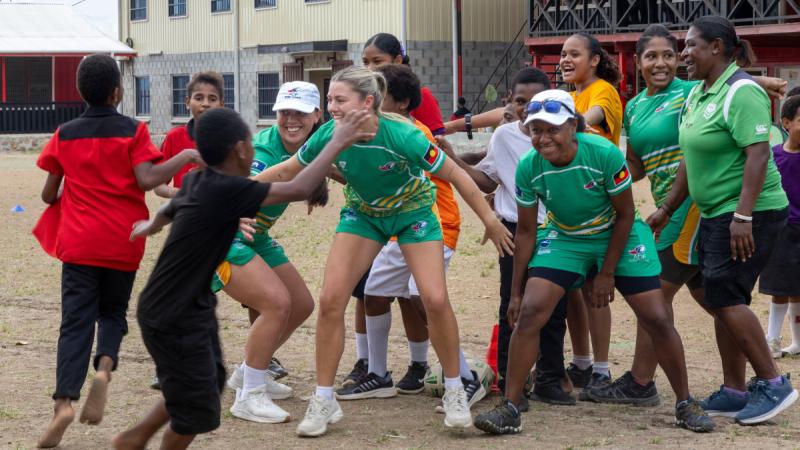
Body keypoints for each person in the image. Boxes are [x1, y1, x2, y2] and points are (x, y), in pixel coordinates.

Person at [251, 66, 513, 437]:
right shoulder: (328, 133)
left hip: (414, 214)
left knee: (434, 299)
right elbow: (288, 169)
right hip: (364, 215)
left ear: (368, 102)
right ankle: (324, 399)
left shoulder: (403, 134)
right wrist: (233, 191)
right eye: (329, 100)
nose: (331, 107)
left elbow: (454, 174)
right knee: (330, 300)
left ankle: (456, 389)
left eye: (339, 100)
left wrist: (488, 219)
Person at [112, 107, 374, 450]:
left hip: (187, 307)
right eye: (250, 143)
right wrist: (336, 141)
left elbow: (174, 205)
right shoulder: (230, 189)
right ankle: (139, 438)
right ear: (241, 150)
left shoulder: (199, 180)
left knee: (209, 382)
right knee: (198, 405)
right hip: (171, 314)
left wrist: (153, 225)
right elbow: (299, 187)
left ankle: (136, 437)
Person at [473, 89, 715, 435]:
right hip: (567, 237)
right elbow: (526, 232)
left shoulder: (603, 154)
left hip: (618, 234)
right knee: (529, 313)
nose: (543, 138)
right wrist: (515, 292)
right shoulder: (529, 167)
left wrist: (606, 273)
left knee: (657, 316)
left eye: (553, 128)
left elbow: (626, 215)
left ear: (573, 125)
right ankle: (510, 407)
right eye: (536, 129)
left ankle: (684, 403)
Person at [587, 24, 788, 406]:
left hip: (701, 209)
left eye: (670, 53)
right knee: (718, 299)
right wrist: (602, 179)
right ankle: (737, 386)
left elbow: (731, 85)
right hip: (676, 203)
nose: (662, 63)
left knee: (655, 290)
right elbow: (636, 164)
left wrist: (762, 82)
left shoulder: (687, 91)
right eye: (652, 56)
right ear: (638, 62)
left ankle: (642, 382)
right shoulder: (636, 106)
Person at [33, 54, 203, 449]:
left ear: (81, 91)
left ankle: (63, 402)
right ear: (117, 91)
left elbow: (47, 193)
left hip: (78, 243)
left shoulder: (65, 133)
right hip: (123, 240)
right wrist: (187, 156)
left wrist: (70, 191)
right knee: (112, 312)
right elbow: (147, 179)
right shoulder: (133, 130)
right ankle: (105, 367)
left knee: (75, 323)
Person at [650, 15, 797, 425]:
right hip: (718, 214)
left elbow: (758, 153)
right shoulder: (700, 94)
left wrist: (743, 215)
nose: (684, 54)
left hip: (752, 213)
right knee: (722, 296)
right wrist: (666, 209)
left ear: (716, 47)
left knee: (725, 295)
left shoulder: (741, 91)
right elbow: (690, 160)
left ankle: (772, 383)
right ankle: (734, 389)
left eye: (691, 45)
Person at [335, 64, 483, 403]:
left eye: (379, 97)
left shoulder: (410, 133)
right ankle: (378, 374)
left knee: (423, 297)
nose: (371, 104)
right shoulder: (369, 131)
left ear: (400, 103)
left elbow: (450, 177)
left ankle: (463, 377)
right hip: (396, 227)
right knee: (374, 293)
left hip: (434, 223)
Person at [440, 67, 576, 405]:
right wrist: (454, 160)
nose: (527, 109)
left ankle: (548, 379)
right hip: (515, 231)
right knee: (511, 305)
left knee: (554, 310)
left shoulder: (562, 136)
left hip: (555, 230)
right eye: (520, 101)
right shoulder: (503, 136)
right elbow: (489, 180)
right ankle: (507, 377)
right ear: (509, 103)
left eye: (535, 102)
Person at [340, 31, 452, 388]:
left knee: (420, 298)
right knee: (371, 291)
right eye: (366, 61)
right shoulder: (359, 118)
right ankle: (372, 367)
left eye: (378, 61)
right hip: (376, 219)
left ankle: (453, 372)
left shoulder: (410, 126)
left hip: (420, 216)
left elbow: (439, 158)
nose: (371, 68)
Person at [211, 81, 324, 423]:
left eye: (300, 113)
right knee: (276, 304)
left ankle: (248, 372)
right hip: (221, 233)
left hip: (255, 235)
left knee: (302, 304)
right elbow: (233, 191)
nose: (291, 120)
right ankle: (250, 396)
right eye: (284, 112)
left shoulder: (314, 144)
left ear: (316, 115)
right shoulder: (260, 154)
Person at [559, 31, 625, 399]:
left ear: (595, 59)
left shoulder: (603, 91)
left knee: (593, 292)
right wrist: (463, 125)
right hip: (570, 210)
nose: (566, 60)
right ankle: (582, 362)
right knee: (572, 291)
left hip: (599, 207)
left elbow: (590, 118)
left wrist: (557, 125)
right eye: (563, 54)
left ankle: (601, 369)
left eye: (575, 54)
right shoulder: (567, 96)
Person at [762, 94, 800, 358]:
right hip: (781, 231)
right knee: (778, 290)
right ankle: (772, 340)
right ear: (786, 123)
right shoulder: (772, 157)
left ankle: (797, 342)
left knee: (797, 290)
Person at [154, 72, 224, 199]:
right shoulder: (174, 137)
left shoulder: (229, 139)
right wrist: (178, 193)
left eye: (212, 99)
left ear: (221, 105)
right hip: (185, 214)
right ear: (187, 102)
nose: (205, 104)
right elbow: (158, 183)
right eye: (199, 98)